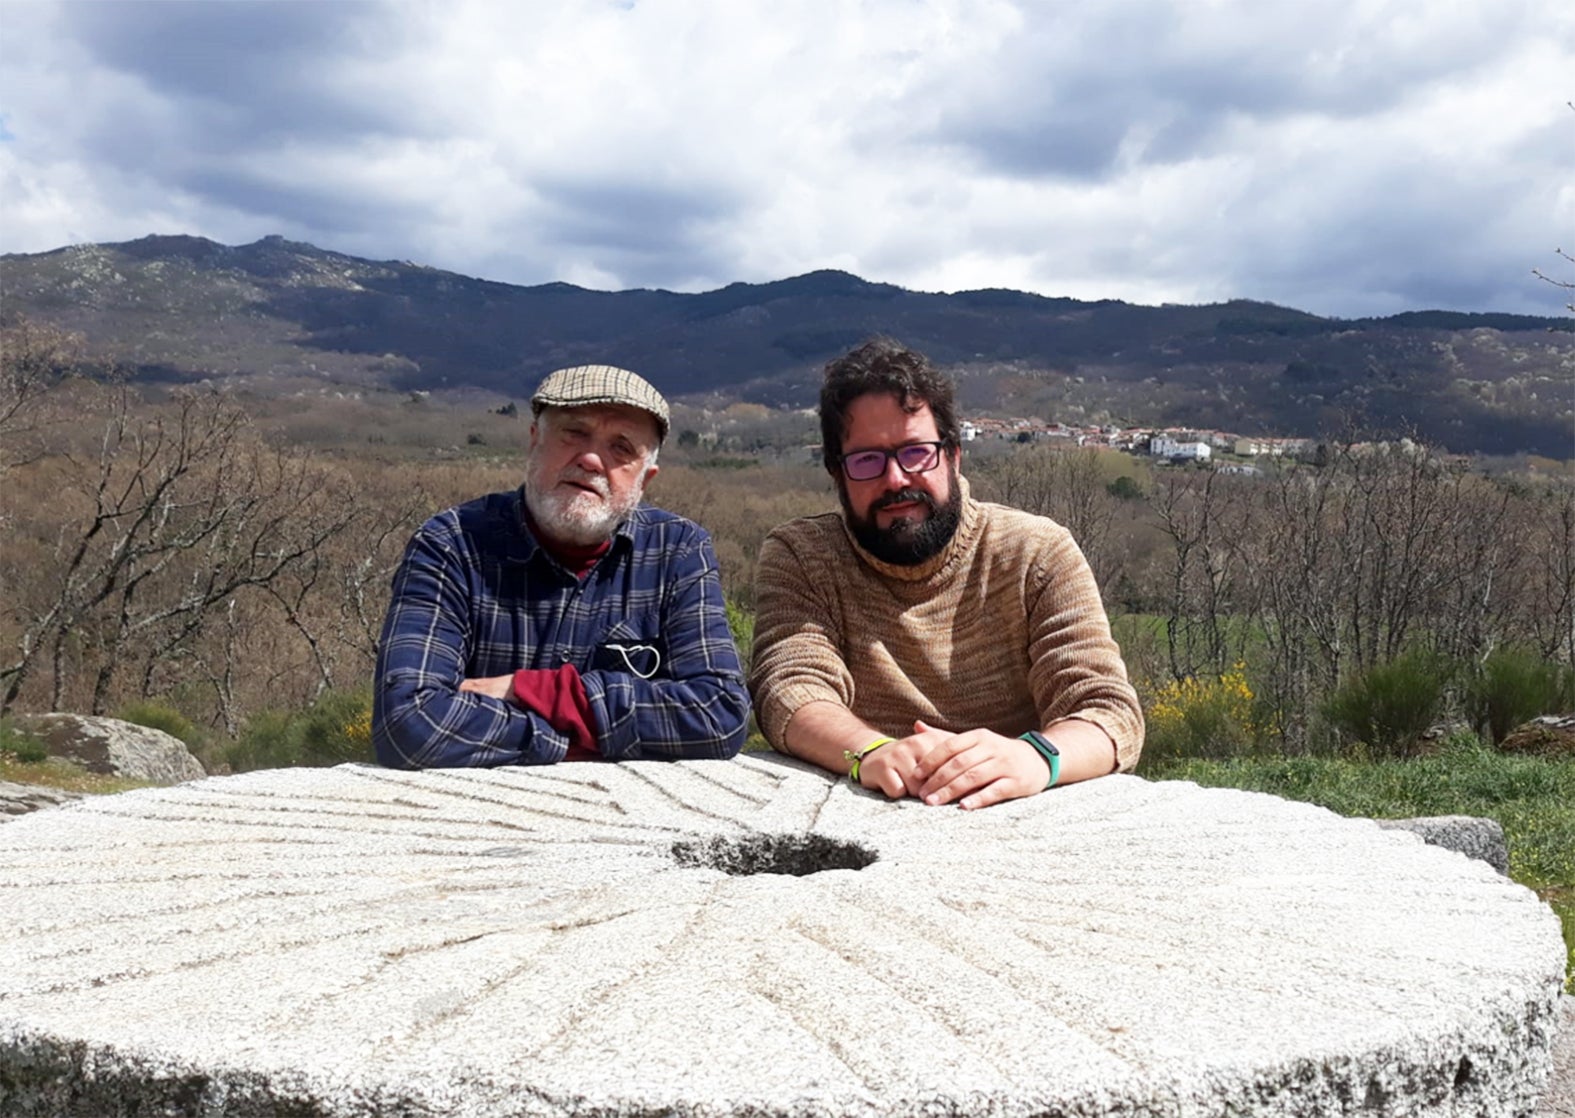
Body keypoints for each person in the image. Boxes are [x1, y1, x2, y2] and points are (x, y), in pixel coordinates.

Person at [749, 337, 1143, 809]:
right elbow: (789, 689)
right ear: (838, 474)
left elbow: (1107, 711)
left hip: (1015, 820)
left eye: (916, 452)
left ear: (953, 455)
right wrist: (871, 752)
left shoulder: (1035, 553)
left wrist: (1034, 757)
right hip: (860, 815)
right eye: (867, 460)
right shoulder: (803, 555)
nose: (895, 479)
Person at [373, 364, 749, 768]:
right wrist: (573, 740)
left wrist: (534, 691)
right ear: (534, 441)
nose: (591, 459)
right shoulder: (452, 544)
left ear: (645, 480)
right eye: (574, 432)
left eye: (621, 448)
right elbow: (408, 721)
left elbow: (720, 714)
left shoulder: (678, 551)